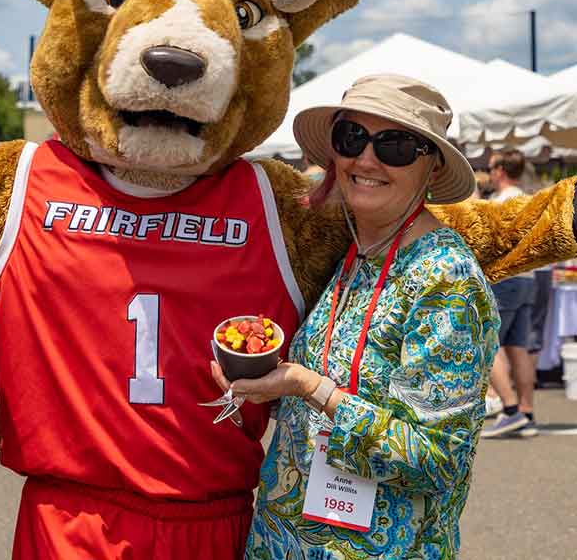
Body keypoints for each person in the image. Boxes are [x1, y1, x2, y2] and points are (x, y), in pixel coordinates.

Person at [212, 74, 499, 560]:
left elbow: (437, 461)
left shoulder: (445, 280)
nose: (367, 159)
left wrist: (310, 388)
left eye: (396, 146)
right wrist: (264, 379)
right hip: (285, 544)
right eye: (352, 139)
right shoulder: (355, 249)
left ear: (431, 169)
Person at [480, 149, 538, 438]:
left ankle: (511, 409)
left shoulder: (502, 202)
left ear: (501, 170)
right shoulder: (528, 198)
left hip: (506, 278)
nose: (489, 172)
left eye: (491, 167)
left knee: (487, 342)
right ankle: (526, 413)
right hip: (529, 278)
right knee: (518, 347)